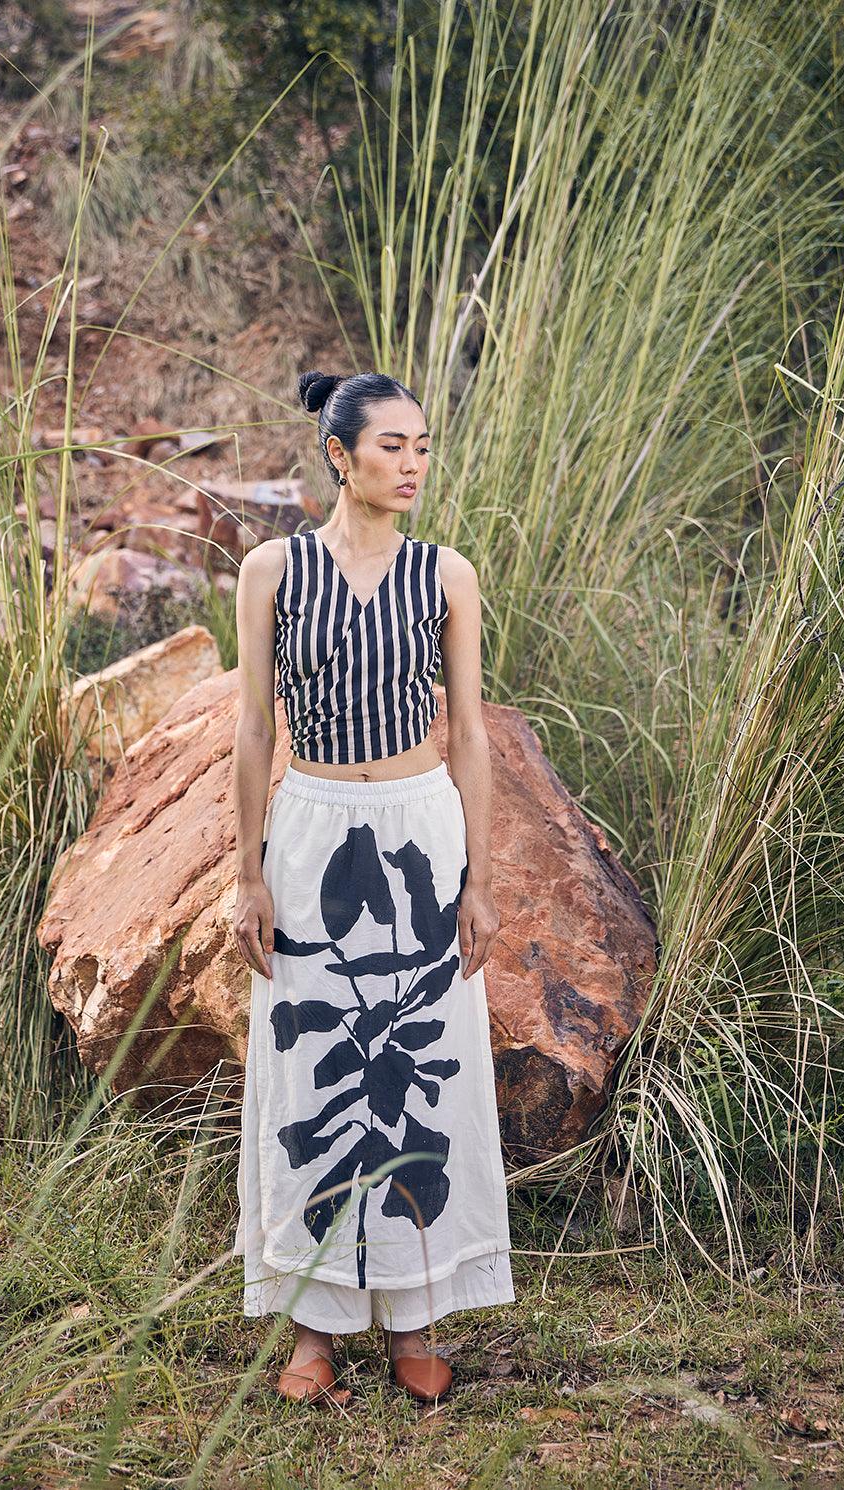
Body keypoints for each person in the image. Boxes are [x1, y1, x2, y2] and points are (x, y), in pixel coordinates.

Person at [231, 369, 515, 1409]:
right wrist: (246, 870)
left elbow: (470, 734)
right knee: (311, 1067)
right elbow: (253, 728)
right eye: (392, 445)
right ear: (338, 454)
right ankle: (313, 1323)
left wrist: (480, 876)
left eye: (423, 445)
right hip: (307, 825)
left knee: (421, 1066)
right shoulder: (273, 570)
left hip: (417, 829)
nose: (413, 464)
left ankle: (416, 1317)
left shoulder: (446, 575)